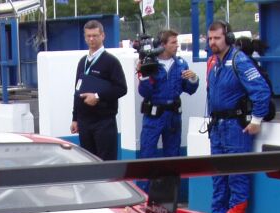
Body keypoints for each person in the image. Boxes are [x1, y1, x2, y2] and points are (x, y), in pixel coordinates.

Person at [206, 21, 271, 213]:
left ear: (229, 38)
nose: (213, 42)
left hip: (235, 126)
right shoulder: (214, 63)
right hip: (217, 126)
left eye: (217, 38)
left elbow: (261, 91)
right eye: (210, 38)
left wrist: (256, 120)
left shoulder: (239, 60)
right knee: (218, 174)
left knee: (237, 173)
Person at [137, 29, 199, 163]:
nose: (177, 45)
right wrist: (144, 75)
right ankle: (146, 184)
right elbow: (144, 92)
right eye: (174, 42)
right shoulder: (150, 64)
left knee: (173, 156)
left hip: (173, 116)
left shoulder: (181, 64)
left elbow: (189, 89)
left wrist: (193, 79)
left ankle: (172, 184)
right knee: (147, 155)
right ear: (163, 45)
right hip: (153, 116)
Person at [70, 20, 128, 161]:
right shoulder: (82, 62)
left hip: (104, 121)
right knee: (89, 163)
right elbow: (77, 90)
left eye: (95, 35)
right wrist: (75, 118)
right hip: (84, 121)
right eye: (88, 36)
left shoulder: (111, 61)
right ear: (84, 37)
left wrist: (98, 96)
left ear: (103, 36)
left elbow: (121, 88)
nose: (91, 39)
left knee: (106, 163)